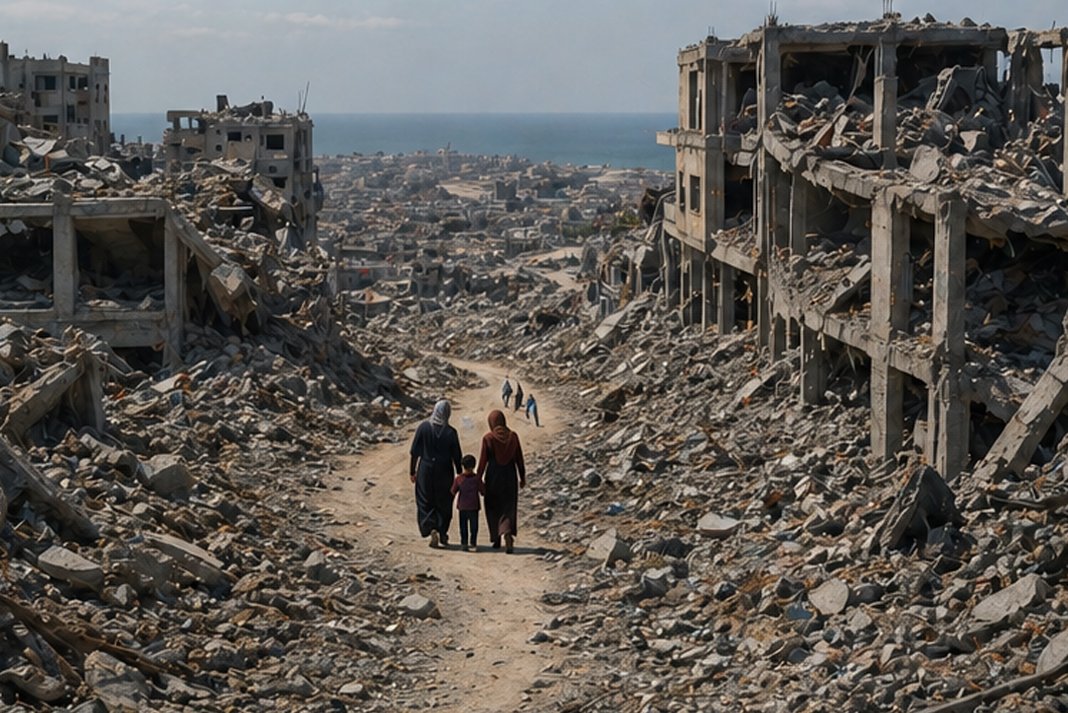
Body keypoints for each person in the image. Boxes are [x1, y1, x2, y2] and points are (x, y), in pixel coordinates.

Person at [409, 400, 462, 548]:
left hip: (425, 469)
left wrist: (412, 471)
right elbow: (457, 456)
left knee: (425, 499)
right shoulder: (451, 432)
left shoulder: (423, 427)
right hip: (445, 471)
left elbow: (414, 453)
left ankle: (431, 528)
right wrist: (459, 473)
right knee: (444, 501)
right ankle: (442, 531)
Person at [478, 410, 526, 553]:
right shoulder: (513, 437)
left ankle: (497, 539)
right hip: (510, 476)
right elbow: (519, 459)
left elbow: (482, 461)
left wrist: (478, 479)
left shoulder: (488, 438)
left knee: (493, 506)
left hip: (493, 476)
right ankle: (508, 534)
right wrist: (522, 477)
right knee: (508, 506)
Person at [451, 454, 485, 552]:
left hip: (462, 507)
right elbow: (483, 491)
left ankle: (464, 543)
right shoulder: (477, 479)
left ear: (463, 466)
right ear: (474, 466)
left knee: (463, 526)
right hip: (474, 507)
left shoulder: (459, 479)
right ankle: (473, 542)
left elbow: (453, 491)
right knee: (474, 526)